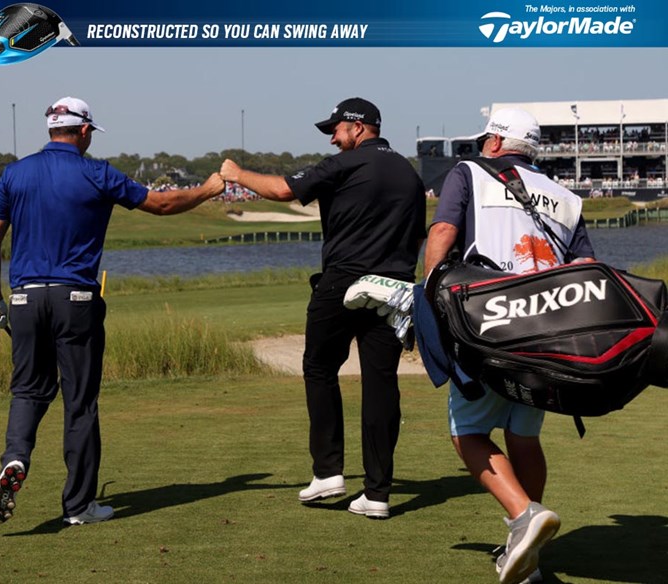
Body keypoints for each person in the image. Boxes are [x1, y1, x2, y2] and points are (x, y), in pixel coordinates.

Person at [0, 96, 225, 526]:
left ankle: (15, 458)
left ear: (51, 129)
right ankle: (78, 506)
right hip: (75, 300)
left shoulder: (15, 174)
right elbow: (162, 204)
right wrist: (207, 189)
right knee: (79, 403)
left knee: (28, 391)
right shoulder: (97, 173)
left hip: (24, 299)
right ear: (85, 131)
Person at [220, 97, 426, 519]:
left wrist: (235, 173)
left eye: (336, 129)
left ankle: (329, 471)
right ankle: (377, 494)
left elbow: (282, 190)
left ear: (359, 127)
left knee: (318, 367)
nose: (332, 138)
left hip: (344, 281)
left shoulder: (346, 164)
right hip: (394, 289)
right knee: (380, 383)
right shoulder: (408, 170)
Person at [423, 108, 595, 584]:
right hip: (548, 335)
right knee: (523, 434)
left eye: (485, 137)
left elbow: (442, 233)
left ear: (497, 142)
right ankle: (529, 557)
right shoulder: (566, 196)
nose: (482, 145)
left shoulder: (470, 172)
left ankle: (524, 516)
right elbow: (585, 269)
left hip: (490, 324)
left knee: (468, 433)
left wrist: (431, 299)